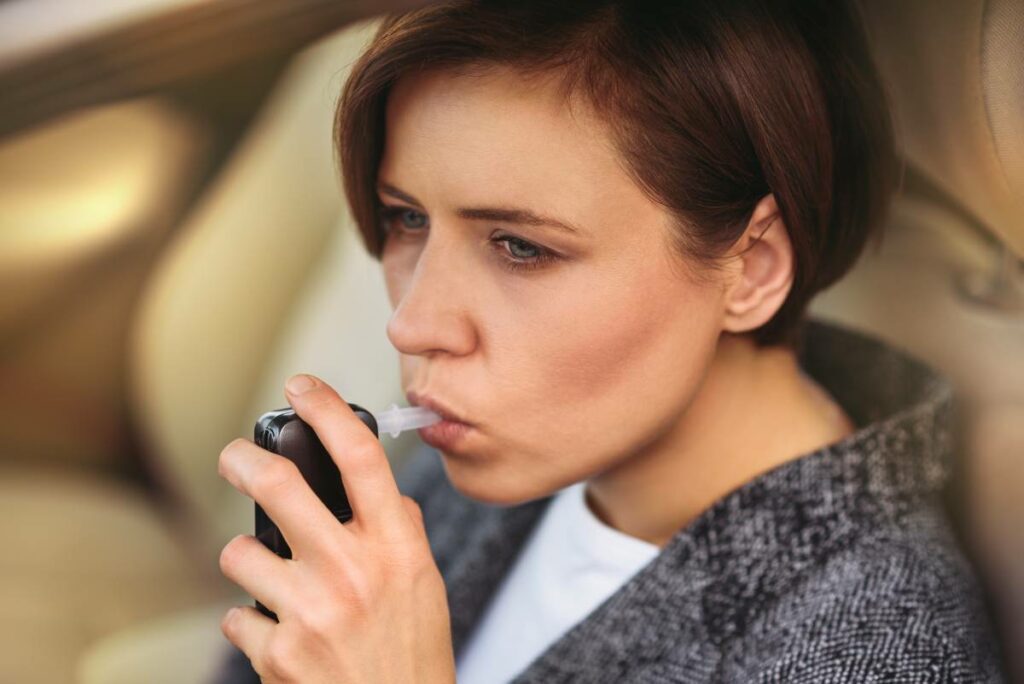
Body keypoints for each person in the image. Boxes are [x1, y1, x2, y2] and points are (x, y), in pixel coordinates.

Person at [213, 1, 1007, 681]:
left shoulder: (870, 651)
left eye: (522, 246)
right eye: (407, 219)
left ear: (754, 267)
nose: (411, 325)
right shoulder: (522, 439)